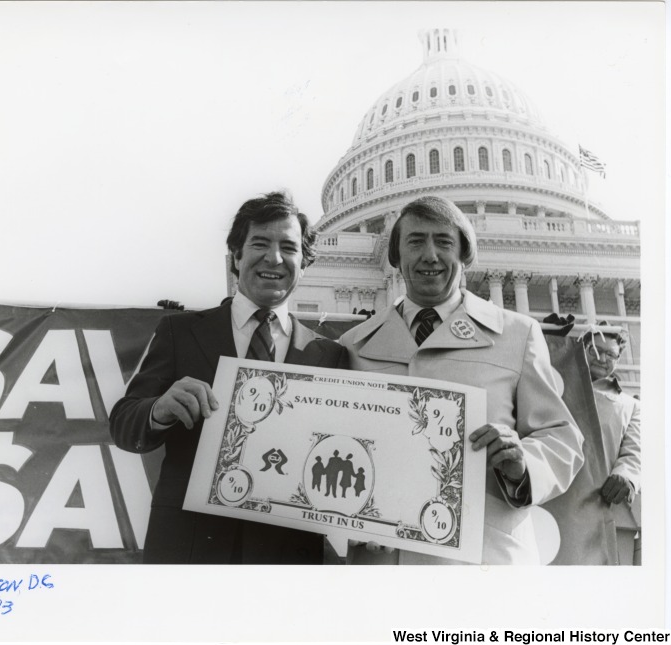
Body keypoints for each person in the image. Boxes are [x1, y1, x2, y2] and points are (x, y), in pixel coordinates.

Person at [340, 195, 584, 565]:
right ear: (395, 256)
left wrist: (523, 463)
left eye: (444, 242)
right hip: (383, 564)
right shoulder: (353, 347)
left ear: (465, 254)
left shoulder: (518, 335)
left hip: (484, 559)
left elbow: (561, 438)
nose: (430, 255)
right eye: (416, 241)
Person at [110, 191, 346, 564]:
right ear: (236, 256)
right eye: (260, 243)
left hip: (287, 557)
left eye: (289, 247)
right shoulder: (180, 332)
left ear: (305, 264)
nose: (274, 258)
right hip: (190, 550)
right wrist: (158, 409)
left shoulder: (329, 355)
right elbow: (123, 425)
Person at [582, 323, 640, 563]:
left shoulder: (631, 405)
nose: (601, 358)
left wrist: (626, 476)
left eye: (610, 354)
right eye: (595, 349)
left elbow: (634, 452)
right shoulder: (554, 388)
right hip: (555, 502)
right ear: (583, 349)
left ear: (618, 358)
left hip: (605, 505)